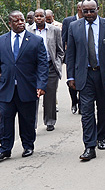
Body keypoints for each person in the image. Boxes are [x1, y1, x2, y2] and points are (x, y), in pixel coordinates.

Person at [66, 0, 105, 161]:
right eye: (86, 11)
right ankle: (89, 146)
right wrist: (70, 76)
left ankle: (101, 136)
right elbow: (71, 54)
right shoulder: (74, 27)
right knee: (87, 111)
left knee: (103, 109)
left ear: (99, 9)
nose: (89, 14)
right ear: (81, 11)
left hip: (104, 75)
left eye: (92, 10)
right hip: (84, 75)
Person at [0, 11, 49, 161]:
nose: (21, 22)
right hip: (6, 88)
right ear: (10, 24)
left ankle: (28, 145)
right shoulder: (2, 40)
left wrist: (41, 84)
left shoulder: (35, 40)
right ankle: (5, 149)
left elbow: (42, 65)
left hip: (27, 87)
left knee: (27, 119)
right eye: (17, 20)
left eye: (22, 20)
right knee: (4, 119)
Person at [27, 9, 64, 131]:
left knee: (50, 95)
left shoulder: (55, 30)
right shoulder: (28, 31)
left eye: (41, 16)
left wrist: (57, 63)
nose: (39, 18)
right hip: (33, 68)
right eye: (36, 16)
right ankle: (32, 123)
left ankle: (50, 121)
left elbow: (60, 50)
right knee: (33, 96)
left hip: (50, 67)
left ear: (45, 17)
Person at [62, 2, 83, 114]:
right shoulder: (68, 21)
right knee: (71, 80)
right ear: (78, 8)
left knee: (83, 80)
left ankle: (81, 103)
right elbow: (63, 38)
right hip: (71, 55)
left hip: (84, 56)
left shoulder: (88, 21)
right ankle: (74, 101)